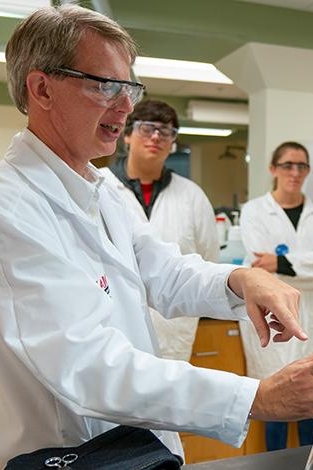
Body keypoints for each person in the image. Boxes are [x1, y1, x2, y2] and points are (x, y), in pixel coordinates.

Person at [0, 7, 313, 469]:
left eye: (129, 87)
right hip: (62, 450)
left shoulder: (102, 188)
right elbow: (87, 368)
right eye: (104, 84)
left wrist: (241, 280)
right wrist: (255, 397)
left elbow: (164, 271)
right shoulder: (6, 205)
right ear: (42, 87)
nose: (125, 107)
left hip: (134, 448)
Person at [240, 141, 313, 450]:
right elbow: (261, 264)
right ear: (273, 169)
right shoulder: (255, 211)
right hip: (276, 317)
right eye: (287, 165)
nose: (295, 172)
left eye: (301, 166)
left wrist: (284, 262)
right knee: (277, 406)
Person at [101, 99, 219, 361]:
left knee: (173, 398)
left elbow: (208, 260)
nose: (156, 137)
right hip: (113, 324)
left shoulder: (192, 195)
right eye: (147, 128)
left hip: (173, 327)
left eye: (166, 132)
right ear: (127, 135)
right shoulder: (98, 187)